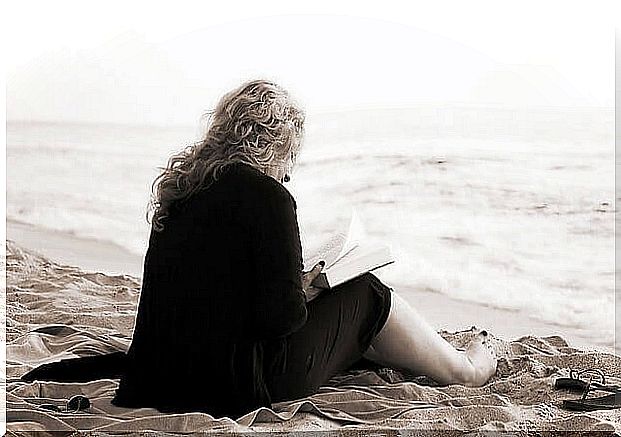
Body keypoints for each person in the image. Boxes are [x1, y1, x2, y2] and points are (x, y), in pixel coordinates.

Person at [21, 79, 497, 418]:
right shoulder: (268, 197)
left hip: (161, 376)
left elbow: (199, 296)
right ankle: (465, 369)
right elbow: (280, 319)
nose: (288, 172)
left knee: (343, 311)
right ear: (277, 145)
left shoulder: (181, 191)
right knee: (368, 292)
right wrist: (306, 287)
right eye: (289, 157)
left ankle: (413, 355)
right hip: (234, 389)